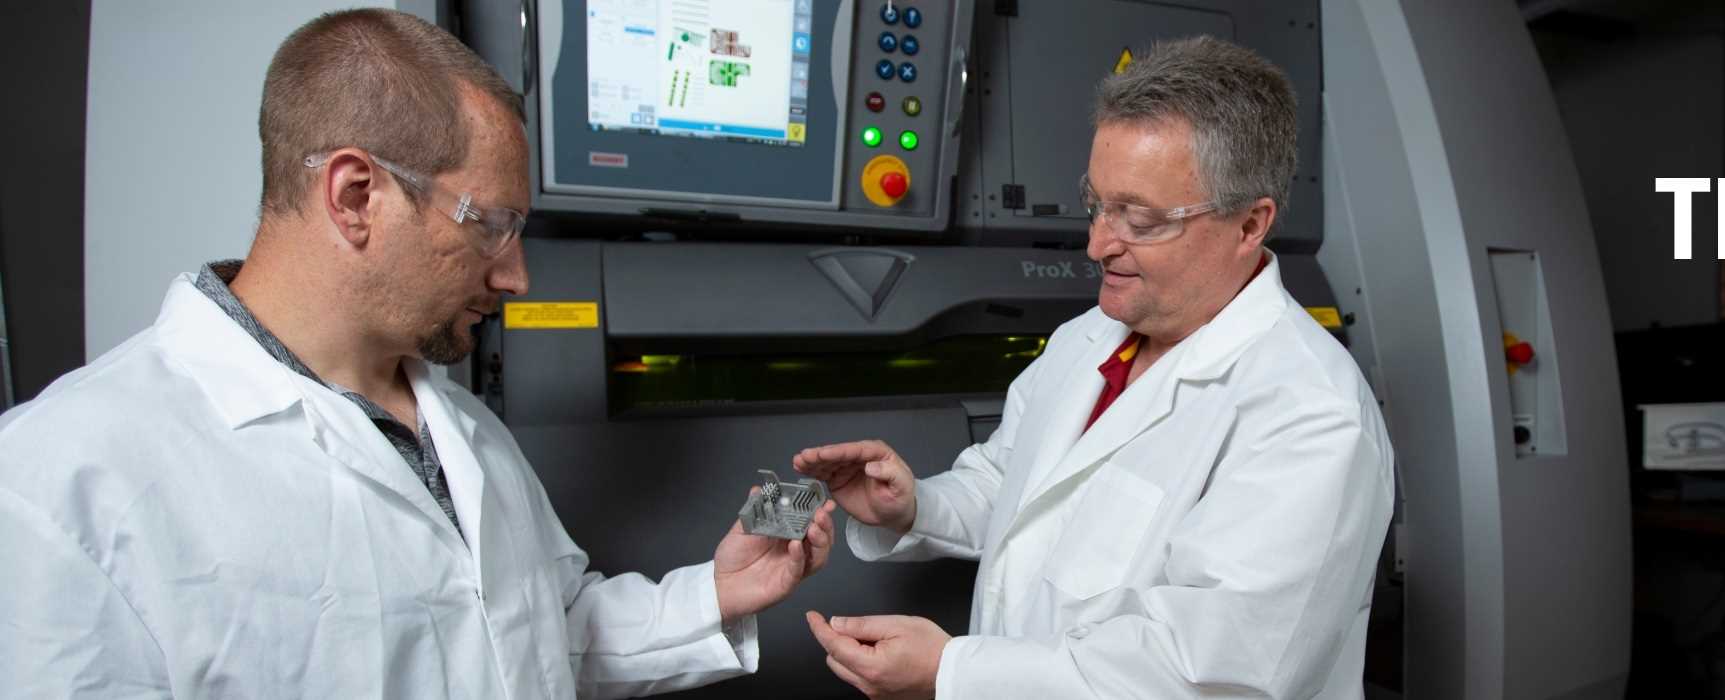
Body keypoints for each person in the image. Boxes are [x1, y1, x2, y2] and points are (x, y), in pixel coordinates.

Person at [0, 9, 831, 697]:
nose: (517, 275)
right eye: (493, 227)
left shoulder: (464, 429)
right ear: (357, 196)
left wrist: (715, 595)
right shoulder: (64, 481)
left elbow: (540, 637)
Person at [795, 35, 1395, 699]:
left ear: (1250, 225)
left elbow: (1210, 677)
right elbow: (1014, 482)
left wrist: (954, 673)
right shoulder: (1093, 335)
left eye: (1138, 217)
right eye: (1098, 203)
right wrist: (915, 506)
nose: (1097, 244)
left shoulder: (1310, 417)